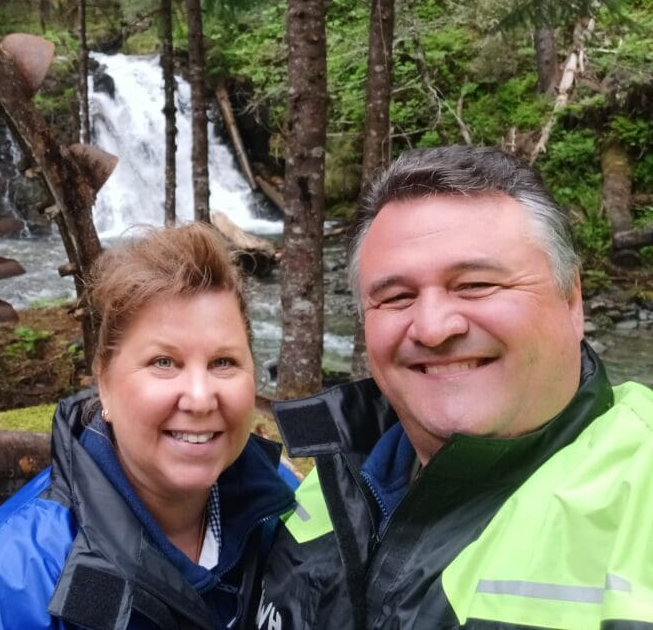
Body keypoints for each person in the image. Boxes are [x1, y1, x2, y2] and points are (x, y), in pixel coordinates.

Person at [255, 145, 653, 629]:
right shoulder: (334, 480)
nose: (433, 327)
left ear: (571, 301)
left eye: (476, 285)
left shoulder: (640, 493)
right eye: (397, 297)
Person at [0, 224, 296, 629]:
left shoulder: (284, 506)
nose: (199, 398)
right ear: (104, 382)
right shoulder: (4, 582)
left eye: (223, 362)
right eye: (164, 362)